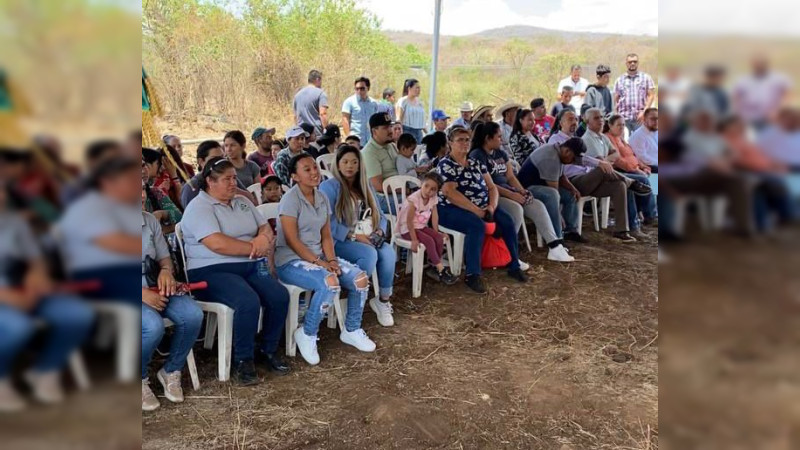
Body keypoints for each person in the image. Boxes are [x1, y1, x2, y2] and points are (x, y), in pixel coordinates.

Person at [181, 157, 290, 386]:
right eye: (227, 179)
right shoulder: (199, 207)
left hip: (248, 265)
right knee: (247, 300)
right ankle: (243, 360)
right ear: (210, 181)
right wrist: (254, 247)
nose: (233, 183)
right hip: (210, 269)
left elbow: (263, 226)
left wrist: (262, 238)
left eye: (234, 178)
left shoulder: (242, 201)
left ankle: (267, 350)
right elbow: (217, 244)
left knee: (279, 296)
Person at [275, 154, 376, 366]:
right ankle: (307, 333)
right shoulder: (290, 200)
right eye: (307, 169)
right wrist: (320, 263)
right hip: (290, 261)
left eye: (315, 167)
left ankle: (352, 329)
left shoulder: (320, 197)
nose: (314, 172)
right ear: (294, 176)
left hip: (318, 256)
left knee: (360, 279)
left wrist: (331, 260)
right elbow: (292, 241)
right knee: (329, 282)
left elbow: (327, 235)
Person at [0, 187, 94, 412]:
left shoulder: (14, 222)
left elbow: (36, 259)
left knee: (78, 314)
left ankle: (45, 370)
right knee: (17, 327)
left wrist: (37, 277)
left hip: (27, 291)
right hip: (7, 297)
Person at [436, 127, 529, 295]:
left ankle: (513, 264)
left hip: (483, 206)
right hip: (450, 209)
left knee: (507, 221)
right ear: (450, 143)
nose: (465, 143)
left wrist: (491, 208)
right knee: (476, 226)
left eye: (467, 139)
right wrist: (478, 211)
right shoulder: (446, 164)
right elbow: (450, 193)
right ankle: (472, 273)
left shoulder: (475, 162)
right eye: (460, 140)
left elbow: (492, 187)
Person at [469, 122, 573, 264]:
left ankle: (554, 246)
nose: (502, 140)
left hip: (508, 190)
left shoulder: (500, 153)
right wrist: (513, 195)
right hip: (491, 195)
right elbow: (487, 185)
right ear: (488, 138)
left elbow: (511, 177)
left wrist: (522, 191)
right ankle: (510, 253)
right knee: (516, 209)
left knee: (537, 205)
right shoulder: (477, 155)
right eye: (499, 137)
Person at [319, 146, 397, 327]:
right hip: (339, 240)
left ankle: (383, 301)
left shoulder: (365, 184)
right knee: (369, 255)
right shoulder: (329, 187)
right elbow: (327, 224)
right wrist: (355, 236)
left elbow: (381, 215)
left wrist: (380, 231)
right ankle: (352, 297)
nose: (350, 166)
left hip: (368, 235)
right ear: (337, 164)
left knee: (388, 252)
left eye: (354, 162)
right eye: (345, 162)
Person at [140, 206, 203, 412]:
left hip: (154, 283)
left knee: (192, 315)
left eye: (141, 188)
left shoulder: (148, 220)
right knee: (152, 326)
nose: (141, 195)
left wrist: (166, 271)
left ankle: (171, 370)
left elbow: (164, 258)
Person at [60, 158, 143, 304]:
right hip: (98, 276)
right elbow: (117, 243)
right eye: (131, 179)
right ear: (107, 182)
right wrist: (151, 246)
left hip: (133, 272)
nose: (138, 184)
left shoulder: (129, 206)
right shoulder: (88, 207)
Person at [582, 108, 654, 237]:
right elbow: (601, 163)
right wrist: (607, 160)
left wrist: (606, 160)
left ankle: (631, 227)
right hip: (596, 178)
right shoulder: (587, 139)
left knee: (625, 185)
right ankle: (649, 216)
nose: (601, 120)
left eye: (601, 117)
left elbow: (615, 154)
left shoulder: (603, 137)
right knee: (638, 180)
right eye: (596, 118)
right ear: (587, 122)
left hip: (610, 174)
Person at [720, 115, 794, 230]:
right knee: (773, 183)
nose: (741, 126)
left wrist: (772, 164)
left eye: (742, 124)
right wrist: (764, 168)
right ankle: (785, 215)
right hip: (746, 171)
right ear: (726, 127)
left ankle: (763, 222)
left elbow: (760, 157)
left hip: (760, 170)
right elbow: (735, 161)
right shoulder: (724, 140)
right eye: (736, 124)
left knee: (760, 190)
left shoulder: (745, 140)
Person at [396, 172, 459, 284]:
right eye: (426, 186)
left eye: (433, 189)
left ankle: (434, 263)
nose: (428, 191)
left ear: (436, 191)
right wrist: (414, 239)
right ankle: (441, 269)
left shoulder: (433, 198)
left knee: (438, 238)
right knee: (429, 241)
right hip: (407, 229)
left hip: (420, 227)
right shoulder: (414, 199)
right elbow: (409, 221)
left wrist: (437, 232)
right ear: (421, 184)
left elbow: (435, 216)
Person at [182, 140, 252, 209]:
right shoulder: (192, 186)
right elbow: (192, 214)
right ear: (201, 161)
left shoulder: (231, 178)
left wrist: (232, 188)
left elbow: (252, 201)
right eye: (214, 159)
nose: (220, 162)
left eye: (222, 158)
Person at [732, 55, 792, 130]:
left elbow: (787, 96)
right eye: (756, 64)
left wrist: (778, 111)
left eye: (761, 63)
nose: (759, 66)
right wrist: (739, 114)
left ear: (766, 64)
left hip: (772, 118)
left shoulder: (780, 79)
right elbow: (736, 98)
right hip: (749, 118)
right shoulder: (742, 80)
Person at [362, 113, 399, 213]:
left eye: (391, 126)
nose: (391, 130)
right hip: (383, 198)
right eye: (386, 127)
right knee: (419, 202)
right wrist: (404, 189)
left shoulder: (391, 145)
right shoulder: (369, 152)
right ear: (374, 131)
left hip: (398, 192)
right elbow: (377, 186)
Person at [613, 53, 656, 133]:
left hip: (640, 118)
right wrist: (616, 116)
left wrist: (644, 112)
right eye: (630, 62)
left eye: (635, 61)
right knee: (624, 143)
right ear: (626, 63)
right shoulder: (619, 80)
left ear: (638, 63)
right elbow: (615, 99)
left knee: (640, 143)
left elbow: (651, 95)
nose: (632, 63)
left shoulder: (646, 78)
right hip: (624, 119)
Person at [142, 149, 183, 227]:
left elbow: (179, 216)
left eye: (143, 165)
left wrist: (162, 214)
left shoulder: (156, 192)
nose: (143, 171)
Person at [342, 77, 378, 145]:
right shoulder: (349, 102)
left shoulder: (374, 103)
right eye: (357, 89)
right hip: (356, 140)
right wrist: (349, 137)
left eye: (362, 88)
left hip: (370, 140)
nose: (359, 91)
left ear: (368, 88)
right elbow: (345, 119)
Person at [293, 69, 329, 136]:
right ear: (317, 79)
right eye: (321, 80)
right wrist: (327, 131)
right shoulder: (321, 93)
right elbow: (323, 114)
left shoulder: (297, 95)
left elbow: (295, 117)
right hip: (316, 134)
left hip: (302, 134)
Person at [395, 79, 426, 144]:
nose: (418, 90)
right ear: (409, 88)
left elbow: (422, 120)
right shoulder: (403, 101)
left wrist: (427, 132)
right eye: (416, 88)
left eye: (419, 88)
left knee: (418, 151)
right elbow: (398, 118)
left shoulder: (420, 102)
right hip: (407, 130)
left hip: (419, 131)